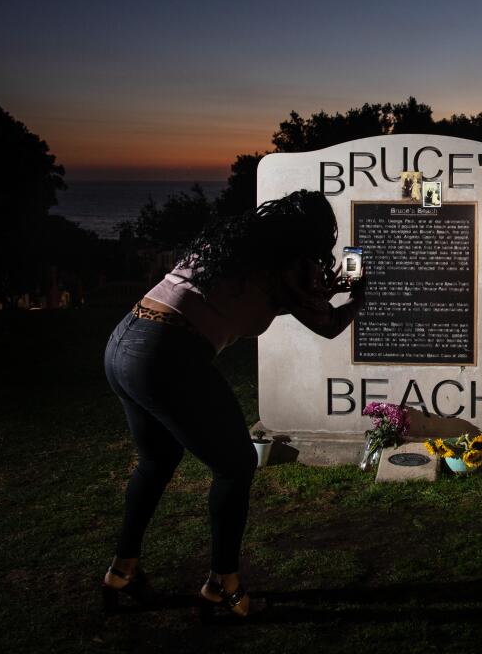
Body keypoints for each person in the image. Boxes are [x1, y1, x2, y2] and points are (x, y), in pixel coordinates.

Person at [100, 189, 365, 617]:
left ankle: (122, 571)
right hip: (167, 355)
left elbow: (251, 299)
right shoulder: (287, 265)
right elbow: (330, 324)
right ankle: (222, 585)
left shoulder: (235, 246)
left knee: (158, 460)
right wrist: (359, 297)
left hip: (123, 341)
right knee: (237, 464)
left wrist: (316, 289)